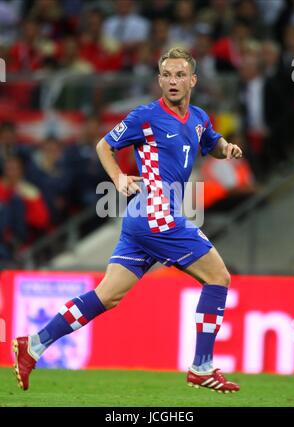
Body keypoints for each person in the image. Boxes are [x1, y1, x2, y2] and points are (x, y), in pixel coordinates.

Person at [13, 47, 242, 393]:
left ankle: (34, 345)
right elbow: (105, 145)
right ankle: (201, 366)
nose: (173, 81)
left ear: (193, 80)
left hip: (142, 221)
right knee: (219, 277)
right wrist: (119, 177)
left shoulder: (198, 117)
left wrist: (228, 148)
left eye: (180, 75)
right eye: (166, 75)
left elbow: (211, 141)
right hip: (155, 213)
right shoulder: (145, 116)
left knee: (107, 296)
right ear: (159, 80)